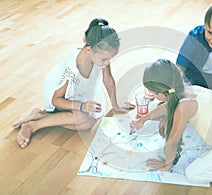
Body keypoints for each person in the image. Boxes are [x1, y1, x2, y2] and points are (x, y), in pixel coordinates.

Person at [13, 18, 135, 149]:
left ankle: (40, 115)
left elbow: (108, 79)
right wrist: (82, 106)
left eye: (109, 59)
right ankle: (32, 125)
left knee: (89, 122)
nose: (107, 63)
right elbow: (56, 100)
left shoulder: (100, 53)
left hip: (80, 92)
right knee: (83, 119)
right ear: (89, 50)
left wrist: (115, 105)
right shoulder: (73, 69)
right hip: (59, 96)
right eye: (105, 59)